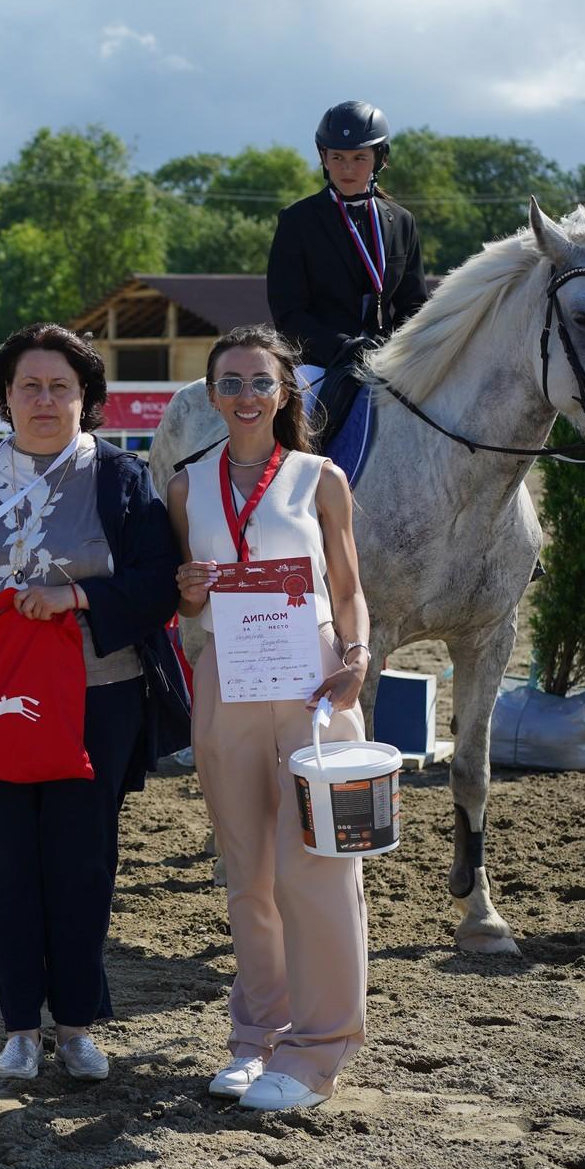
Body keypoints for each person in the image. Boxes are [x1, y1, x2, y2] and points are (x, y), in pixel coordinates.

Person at [0, 323, 188, 1083]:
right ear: (3, 398)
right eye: (30, 385)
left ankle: (79, 1025)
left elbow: (159, 580)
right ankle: (20, 1025)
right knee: (3, 861)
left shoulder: (121, 478)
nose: (46, 399)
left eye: (62, 386)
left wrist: (77, 596)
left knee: (81, 863)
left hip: (96, 699)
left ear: (87, 397)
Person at [167, 323, 373, 1112]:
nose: (246, 396)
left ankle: (320, 1050)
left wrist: (355, 655)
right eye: (230, 382)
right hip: (229, 677)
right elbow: (189, 597)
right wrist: (187, 588)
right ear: (212, 394)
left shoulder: (321, 478)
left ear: (285, 391)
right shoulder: (187, 484)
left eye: (260, 381)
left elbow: (348, 586)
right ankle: (259, 1034)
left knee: (317, 867)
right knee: (247, 872)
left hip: (314, 680)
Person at [267, 100, 429, 435]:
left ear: (380, 159)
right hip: (318, 362)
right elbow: (288, 311)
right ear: (323, 157)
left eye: (359, 158)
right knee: (292, 432)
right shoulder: (298, 221)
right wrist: (343, 346)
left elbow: (414, 304)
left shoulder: (401, 222)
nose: (347, 168)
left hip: (388, 360)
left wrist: (397, 346)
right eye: (337, 157)